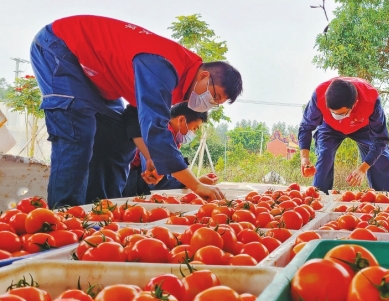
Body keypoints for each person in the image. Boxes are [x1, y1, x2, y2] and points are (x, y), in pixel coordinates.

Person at [30, 15, 243, 207]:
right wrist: (196, 186)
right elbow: (156, 129)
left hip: (99, 81)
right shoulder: (166, 67)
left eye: (216, 103)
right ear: (205, 76)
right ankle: (65, 214)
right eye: (214, 96)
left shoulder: (178, 87)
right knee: (77, 129)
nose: (210, 103)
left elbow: (134, 116)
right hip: (61, 46)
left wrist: (150, 158)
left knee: (117, 134)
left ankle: (101, 208)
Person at [298, 77, 389, 192]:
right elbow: (306, 127)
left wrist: (362, 169)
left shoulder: (371, 99)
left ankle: (384, 197)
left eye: (341, 114)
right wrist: (304, 157)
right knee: (324, 155)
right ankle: (320, 197)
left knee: (380, 159)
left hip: (363, 127)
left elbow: (381, 139)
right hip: (329, 126)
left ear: (354, 104)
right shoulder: (319, 95)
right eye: (332, 112)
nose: (337, 117)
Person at [122, 102, 216, 196]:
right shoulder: (158, 135)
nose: (193, 134)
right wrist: (195, 183)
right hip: (134, 183)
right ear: (182, 120)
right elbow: (154, 180)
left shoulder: (174, 141)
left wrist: (193, 182)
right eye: (194, 128)